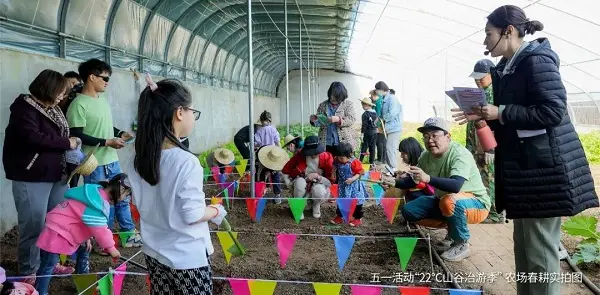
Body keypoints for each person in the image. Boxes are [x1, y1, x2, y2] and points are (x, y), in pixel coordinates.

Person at [452, 5, 599, 294]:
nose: (485, 42)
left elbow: (553, 111)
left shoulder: (536, 61)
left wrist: (501, 110)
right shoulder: (509, 66)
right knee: (525, 250)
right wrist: (486, 116)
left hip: (543, 171)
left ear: (508, 32)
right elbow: (512, 118)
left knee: (541, 253)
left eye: (488, 34)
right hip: (526, 171)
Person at [125, 75, 225, 294]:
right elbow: (192, 214)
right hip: (186, 258)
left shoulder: (137, 158)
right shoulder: (185, 161)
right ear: (180, 112)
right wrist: (216, 210)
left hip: (154, 252)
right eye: (193, 112)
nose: (193, 118)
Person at [3, 69, 80, 284]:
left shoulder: (53, 110)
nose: (63, 97)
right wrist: (67, 143)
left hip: (56, 175)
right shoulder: (23, 108)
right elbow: (33, 138)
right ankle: (28, 272)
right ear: (48, 88)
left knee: (55, 222)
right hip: (31, 176)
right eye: (61, 92)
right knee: (33, 226)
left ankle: (49, 263)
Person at [66, 58, 141, 253]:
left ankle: (128, 235)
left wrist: (118, 133)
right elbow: (77, 135)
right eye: (104, 77)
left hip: (112, 160)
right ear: (91, 77)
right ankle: (103, 243)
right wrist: (107, 142)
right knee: (101, 205)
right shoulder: (78, 105)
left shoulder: (102, 100)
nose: (107, 81)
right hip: (94, 163)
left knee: (122, 198)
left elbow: (106, 127)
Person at [392, 117, 490, 262]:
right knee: (409, 210)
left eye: (434, 135)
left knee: (449, 201)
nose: (429, 140)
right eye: (426, 136)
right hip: (445, 200)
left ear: (448, 136)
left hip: (476, 203)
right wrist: (393, 182)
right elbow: (413, 180)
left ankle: (462, 244)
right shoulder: (426, 155)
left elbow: (455, 186)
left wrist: (428, 179)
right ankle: (452, 230)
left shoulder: (459, 154)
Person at [34, 174, 127, 294]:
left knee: (85, 248)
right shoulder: (97, 204)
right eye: (126, 195)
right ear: (121, 190)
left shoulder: (95, 192)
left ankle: (84, 283)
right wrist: (111, 248)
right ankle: (40, 291)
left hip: (64, 227)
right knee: (48, 264)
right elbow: (101, 230)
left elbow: (83, 217)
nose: (125, 198)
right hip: (58, 230)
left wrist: (87, 237)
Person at [465, 59, 504, 224]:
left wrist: (490, 149)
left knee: (490, 178)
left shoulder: (496, 93)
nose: (478, 80)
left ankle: (495, 214)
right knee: (482, 178)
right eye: (476, 77)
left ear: (492, 74)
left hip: (487, 145)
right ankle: (485, 210)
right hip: (476, 144)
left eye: (482, 76)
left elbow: (495, 124)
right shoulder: (479, 93)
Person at [281, 136, 335, 219]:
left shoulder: (327, 157)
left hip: (319, 181)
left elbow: (330, 179)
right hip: (301, 179)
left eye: (315, 153)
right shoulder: (299, 156)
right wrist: (288, 183)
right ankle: (298, 208)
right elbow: (285, 170)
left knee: (319, 191)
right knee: (299, 185)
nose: (313, 154)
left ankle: (316, 205)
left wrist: (318, 177)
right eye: (310, 153)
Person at [310, 82, 357, 155]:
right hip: (326, 142)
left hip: (343, 142)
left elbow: (352, 119)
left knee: (343, 162)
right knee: (328, 162)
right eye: (331, 95)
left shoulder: (348, 104)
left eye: (336, 96)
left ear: (342, 96)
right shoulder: (323, 105)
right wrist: (314, 121)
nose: (332, 98)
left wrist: (338, 119)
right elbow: (319, 121)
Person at [330, 143, 368, 227]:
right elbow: (334, 165)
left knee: (357, 202)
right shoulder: (337, 159)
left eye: (342, 158)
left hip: (354, 185)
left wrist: (352, 179)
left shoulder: (354, 162)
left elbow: (360, 173)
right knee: (341, 200)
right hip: (343, 185)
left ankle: (357, 218)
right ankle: (340, 216)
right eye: (338, 157)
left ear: (349, 155)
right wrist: (333, 173)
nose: (340, 159)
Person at [374, 81, 403, 173]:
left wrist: (383, 119)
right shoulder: (385, 98)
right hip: (389, 128)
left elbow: (392, 113)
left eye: (377, 90)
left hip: (394, 128)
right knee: (389, 148)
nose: (376, 92)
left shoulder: (392, 99)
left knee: (391, 148)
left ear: (381, 90)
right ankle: (391, 168)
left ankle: (393, 169)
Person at [398, 137, 433, 202]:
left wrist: (397, 181)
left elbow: (417, 182)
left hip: (431, 193)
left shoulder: (423, 161)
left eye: (403, 153)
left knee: (412, 193)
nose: (401, 156)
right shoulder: (418, 161)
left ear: (410, 152)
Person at [358, 97, 378, 165]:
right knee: (372, 148)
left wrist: (362, 134)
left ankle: (359, 162)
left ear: (367, 105)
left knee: (364, 147)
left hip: (368, 133)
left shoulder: (365, 114)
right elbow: (376, 122)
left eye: (363, 105)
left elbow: (364, 125)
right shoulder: (375, 113)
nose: (362, 106)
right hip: (375, 132)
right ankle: (371, 163)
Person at [370, 90, 386, 164]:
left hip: (379, 125)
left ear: (375, 95)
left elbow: (378, 115)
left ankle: (380, 159)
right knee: (382, 142)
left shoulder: (378, 102)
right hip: (381, 124)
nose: (371, 98)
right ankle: (382, 159)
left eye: (372, 96)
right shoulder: (380, 101)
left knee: (379, 142)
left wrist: (375, 124)